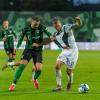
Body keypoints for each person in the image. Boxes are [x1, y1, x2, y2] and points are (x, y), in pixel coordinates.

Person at [33, 17, 81, 91]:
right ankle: (59, 86)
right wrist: (38, 44)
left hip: (73, 51)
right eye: (54, 24)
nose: (56, 25)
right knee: (57, 66)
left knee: (69, 71)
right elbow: (48, 40)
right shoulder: (55, 34)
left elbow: (77, 25)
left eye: (57, 23)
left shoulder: (66, 27)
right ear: (53, 26)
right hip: (64, 51)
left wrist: (78, 20)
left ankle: (70, 82)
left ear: (60, 23)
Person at [8, 16, 52, 91]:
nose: (36, 26)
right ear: (31, 22)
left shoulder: (42, 27)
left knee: (39, 69)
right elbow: (21, 38)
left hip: (38, 50)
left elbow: (50, 36)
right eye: (35, 24)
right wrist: (17, 47)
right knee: (22, 66)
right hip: (28, 49)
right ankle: (13, 84)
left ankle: (34, 79)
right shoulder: (26, 29)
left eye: (38, 24)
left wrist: (48, 38)